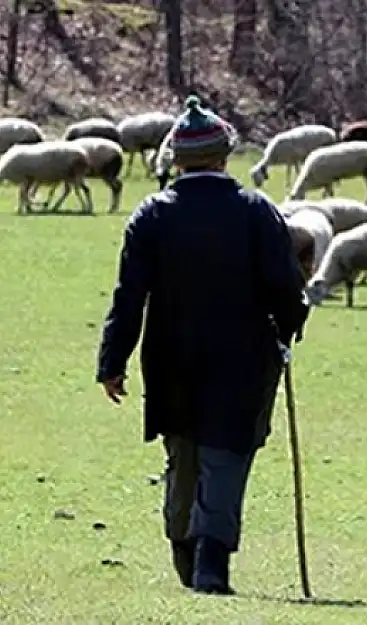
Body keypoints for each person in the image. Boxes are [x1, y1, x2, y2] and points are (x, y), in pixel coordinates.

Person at [95, 96, 309, 595]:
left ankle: (183, 551)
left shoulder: (152, 215)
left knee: (182, 454)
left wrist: (113, 361)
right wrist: (290, 325)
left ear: (176, 159)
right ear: (223, 156)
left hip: (171, 358)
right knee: (226, 454)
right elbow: (285, 286)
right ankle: (211, 564)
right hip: (243, 358)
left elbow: (130, 296)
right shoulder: (256, 211)